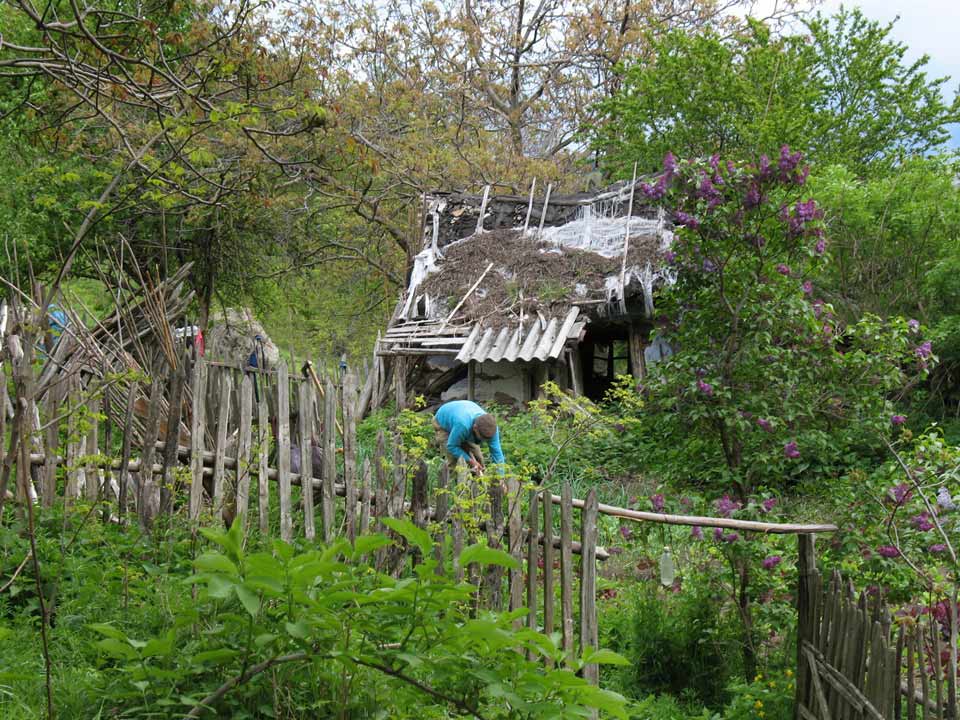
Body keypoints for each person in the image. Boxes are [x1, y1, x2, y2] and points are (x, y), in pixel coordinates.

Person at [433, 400, 505, 475]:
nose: (483, 441)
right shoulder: (463, 425)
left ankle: (478, 483)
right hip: (443, 422)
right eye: (482, 438)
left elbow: (497, 454)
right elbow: (451, 446)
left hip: (463, 417)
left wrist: (500, 477)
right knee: (455, 461)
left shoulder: (492, 428)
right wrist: (470, 461)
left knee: (478, 459)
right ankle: (452, 482)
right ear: (475, 428)